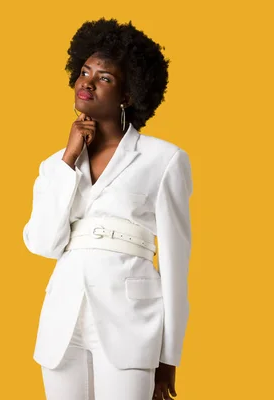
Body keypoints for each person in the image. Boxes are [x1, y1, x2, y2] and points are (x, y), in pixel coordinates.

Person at [22, 17, 193, 400]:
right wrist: (68, 159)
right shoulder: (56, 165)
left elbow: (177, 264)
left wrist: (169, 356)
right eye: (85, 72)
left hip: (131, 322)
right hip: (62, 322)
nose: (87, 82)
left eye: (105, 78)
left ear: (128, 95)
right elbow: (43, 245)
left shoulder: (164, 159)